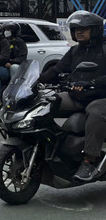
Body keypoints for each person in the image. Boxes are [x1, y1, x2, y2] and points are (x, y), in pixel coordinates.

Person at [39, 10, 106, 182]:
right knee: (46, 102)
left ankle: (90, 161)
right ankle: (48, 148)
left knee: (95, 111)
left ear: (96, 30)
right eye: (76, 29)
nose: (78, 32)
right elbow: (57, 70)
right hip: (77, 97)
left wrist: (92, 82)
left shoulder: (104, 48)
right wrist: (36, 80)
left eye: (84, 28)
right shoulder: (74, 51)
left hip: (100, 97)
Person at [0, 21, 29, 108]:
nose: (7, 31)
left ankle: (13, 91)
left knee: (14, 68)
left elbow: (22, 57)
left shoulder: (20, 42)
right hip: (3, 66)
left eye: (9, 29)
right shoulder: (3, 42)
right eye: (5, 29)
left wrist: (11, 62)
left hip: (16, 66)